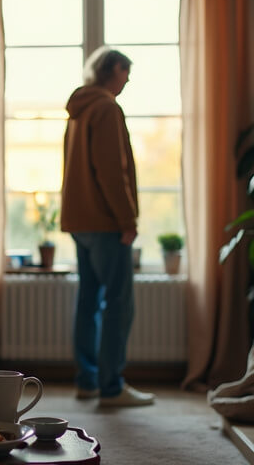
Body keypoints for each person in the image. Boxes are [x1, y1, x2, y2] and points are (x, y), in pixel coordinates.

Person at [60, 46, 155, 407]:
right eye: (125, 72)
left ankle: (88, 381)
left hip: (80, 221)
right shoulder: (107, 108)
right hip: (106, 221)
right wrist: (127, 219)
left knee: (88, 301)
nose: (127, 80)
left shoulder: (78, 112)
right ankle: (111, 387)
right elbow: (113, 171)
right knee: (118, 303)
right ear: (114, 69)